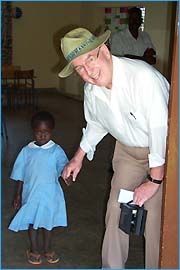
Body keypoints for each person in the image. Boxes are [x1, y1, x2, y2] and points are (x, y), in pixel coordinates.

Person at [58, 27, 169, 268]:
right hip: (128, 152)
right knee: (116, 210)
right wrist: (78, 157)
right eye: (80, 68)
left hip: (163, 152)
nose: (88, 72)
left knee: (155, 220)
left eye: (90, 59)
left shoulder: (142, 78)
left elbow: (160, 129)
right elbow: (97, 123)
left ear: (105, 51)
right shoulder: (92, 91)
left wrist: (155, 181)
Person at [8, 111, 69, 265]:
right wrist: (18, 195)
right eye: (38, 132)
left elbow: (64, 167)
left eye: (46, 132)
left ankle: (48, 249)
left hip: (50, 195)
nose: (42, 135)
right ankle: (34, 250)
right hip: (32, 195)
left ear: (52, 131)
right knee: (32, 223)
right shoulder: (26, 151)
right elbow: (20, 174)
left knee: (48, 224)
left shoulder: (56, 150)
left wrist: (67, 176)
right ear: (33, 131)